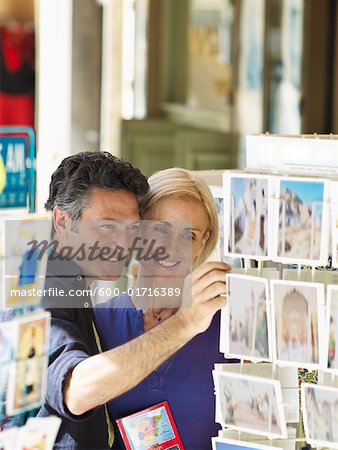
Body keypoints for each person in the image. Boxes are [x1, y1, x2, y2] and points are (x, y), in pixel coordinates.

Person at [0, 151, 230, 449]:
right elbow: (75, 390)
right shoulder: (35, 284)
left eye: (132, 228)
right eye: (107, 226)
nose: (123, 243)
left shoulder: (76, 295)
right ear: (62, 220)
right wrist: (186, 322)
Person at [94, 168, 236, 449]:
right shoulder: (97, 321)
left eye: (189, 236)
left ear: (204, 243)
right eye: (160, 229)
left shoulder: (230, 326)